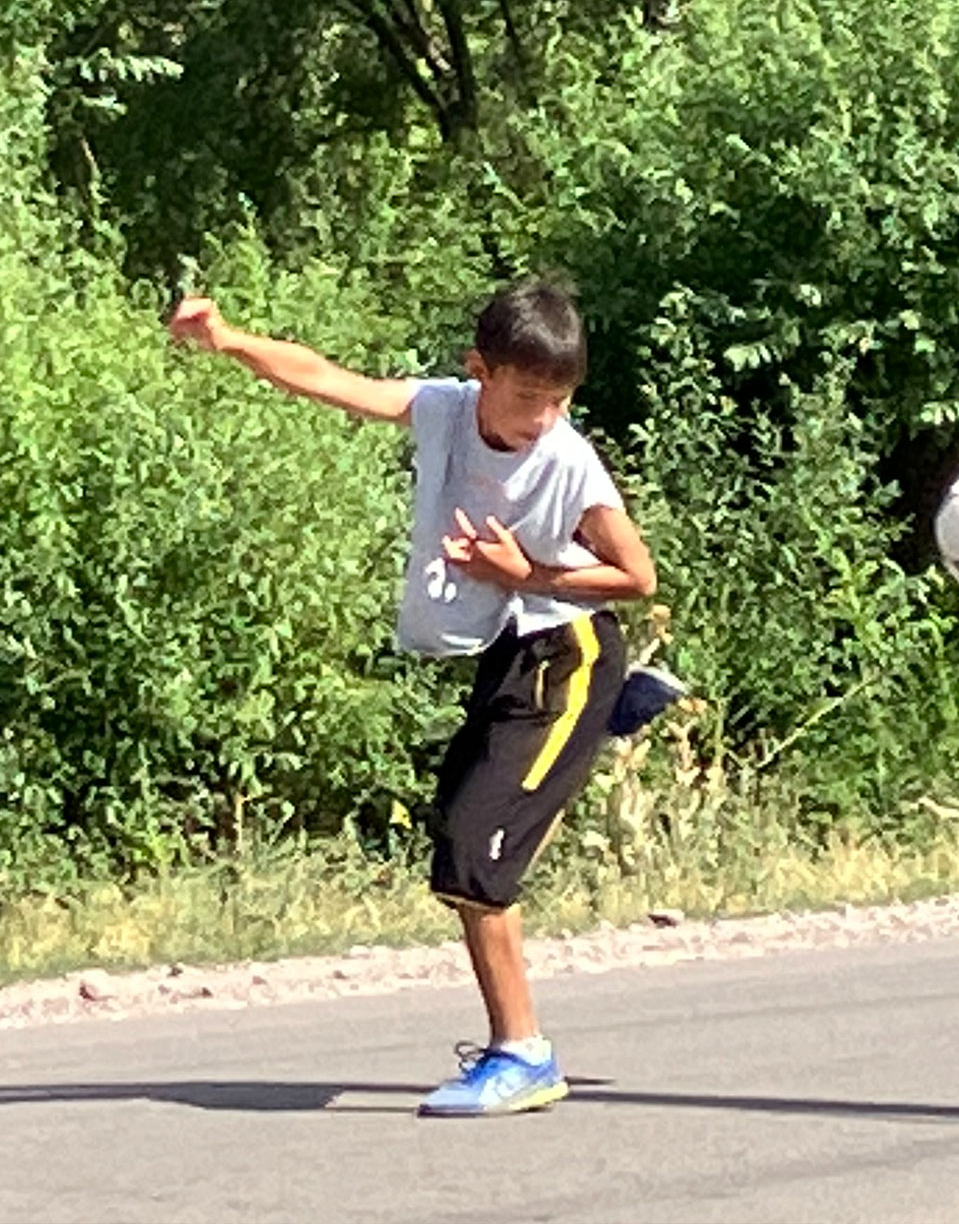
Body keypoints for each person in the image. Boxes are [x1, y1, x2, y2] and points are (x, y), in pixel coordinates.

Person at [169, 278, 657, 1117]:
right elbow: (328, 377)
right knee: (458, 850)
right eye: (528, 396)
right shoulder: (442, 408)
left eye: (559, 400)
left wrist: (526, 573)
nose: (542, 417)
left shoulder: (569, 460)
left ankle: (524, 1054)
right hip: (510, 660)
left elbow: (637, 575)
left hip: (568, 654)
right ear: (480, 370)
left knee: (475, 853)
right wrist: (231, 339)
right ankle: (516, 1046)